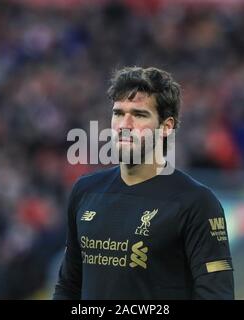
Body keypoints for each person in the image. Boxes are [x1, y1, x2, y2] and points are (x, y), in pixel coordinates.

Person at [53, 66, 234, 299]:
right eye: (118, 113)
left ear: (166, 127)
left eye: (139, 115)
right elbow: (68, 286)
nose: (124, 125)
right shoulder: (85, 191)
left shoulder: (197, 203)